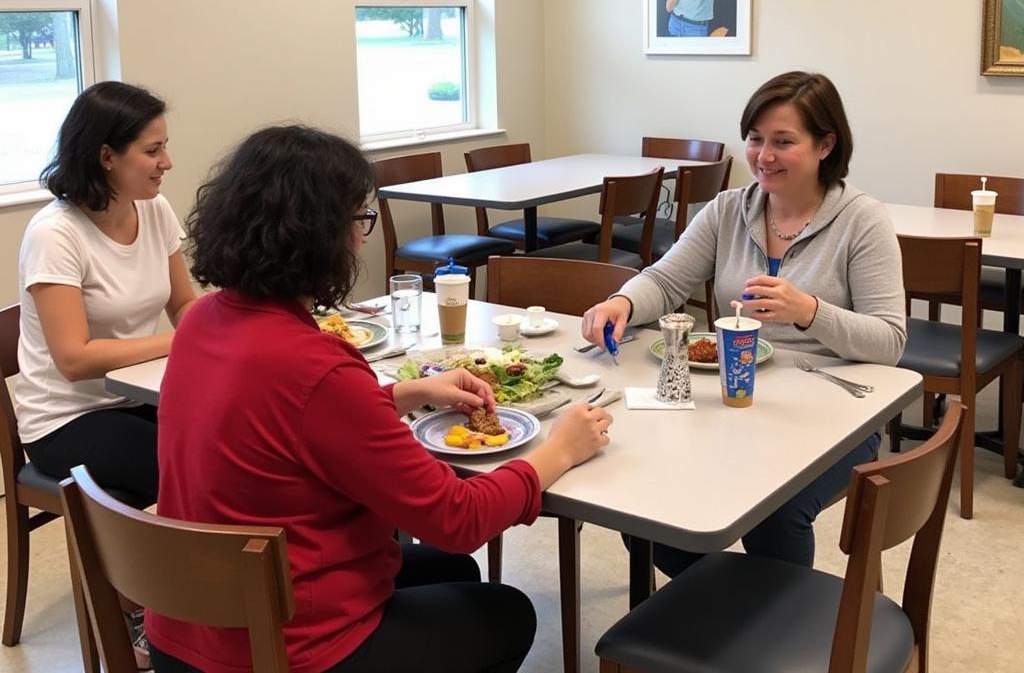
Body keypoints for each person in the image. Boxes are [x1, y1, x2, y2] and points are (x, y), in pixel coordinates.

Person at [147, 126, 613, 673]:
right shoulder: (318, 368)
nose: (361, 236)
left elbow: (288, 422)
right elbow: (457, 517)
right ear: (321, 235)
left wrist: (405, 393)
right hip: (285, 650)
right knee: (508, 611)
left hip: (188, 629)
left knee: (454, 571)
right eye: (357, 219)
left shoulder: (202, 320)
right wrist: (559, 451)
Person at [581, 71, 906, 576]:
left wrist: (810, 312)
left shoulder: (862, 220)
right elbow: (666, 281)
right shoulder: (729, 208)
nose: (764, 156)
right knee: (643, 488)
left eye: (783, 142)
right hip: (730, 400)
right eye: (755, 139)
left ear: (825, 145)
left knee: (775, 515)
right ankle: (718, 609)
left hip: (832, 412)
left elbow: (890, 341)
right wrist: (623, 302)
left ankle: (776, 626)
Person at [17, 81, 195, 502]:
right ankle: (175, 566)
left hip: (132, 393)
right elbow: (74, 360)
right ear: (106, 157)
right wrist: (182, 339)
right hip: (65, 418)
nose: (166, 162)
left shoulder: (155, 209)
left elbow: (184, 303)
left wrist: (209, 335)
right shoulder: (54, 234)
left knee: (233, 437)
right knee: (189, 464)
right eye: (152, 151)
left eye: (164, 147)